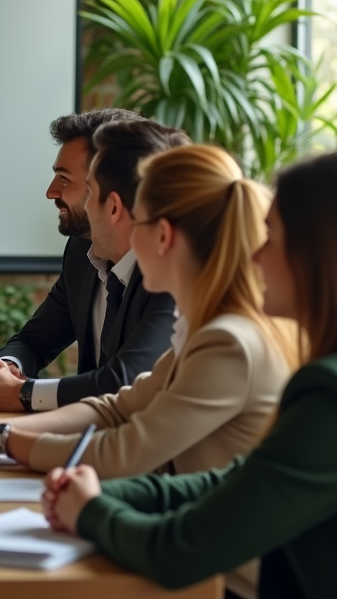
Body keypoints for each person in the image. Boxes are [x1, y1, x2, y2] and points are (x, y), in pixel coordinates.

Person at [42, 151, 337, 599]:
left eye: (271, 238)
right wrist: (102, 496)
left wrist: (90, 510)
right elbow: (232, 482)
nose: (254, 256)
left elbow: (178, 550)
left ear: (318, 254)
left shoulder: (325, 395)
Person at [0, 143, 294, 483]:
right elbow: (115, 407)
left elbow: (125, 451)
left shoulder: (227, 342)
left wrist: (1, 439)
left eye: (136, 224)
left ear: (162, 236)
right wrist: (0, 429)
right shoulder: (207, 331)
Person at [0, 110, 182, 412]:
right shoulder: (83, 252)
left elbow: (125, 381)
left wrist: (23, 393)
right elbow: (35, 341)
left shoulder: (174, 273)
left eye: (65, 179)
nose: (51, 191)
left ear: (112, 196)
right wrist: (6, 367)